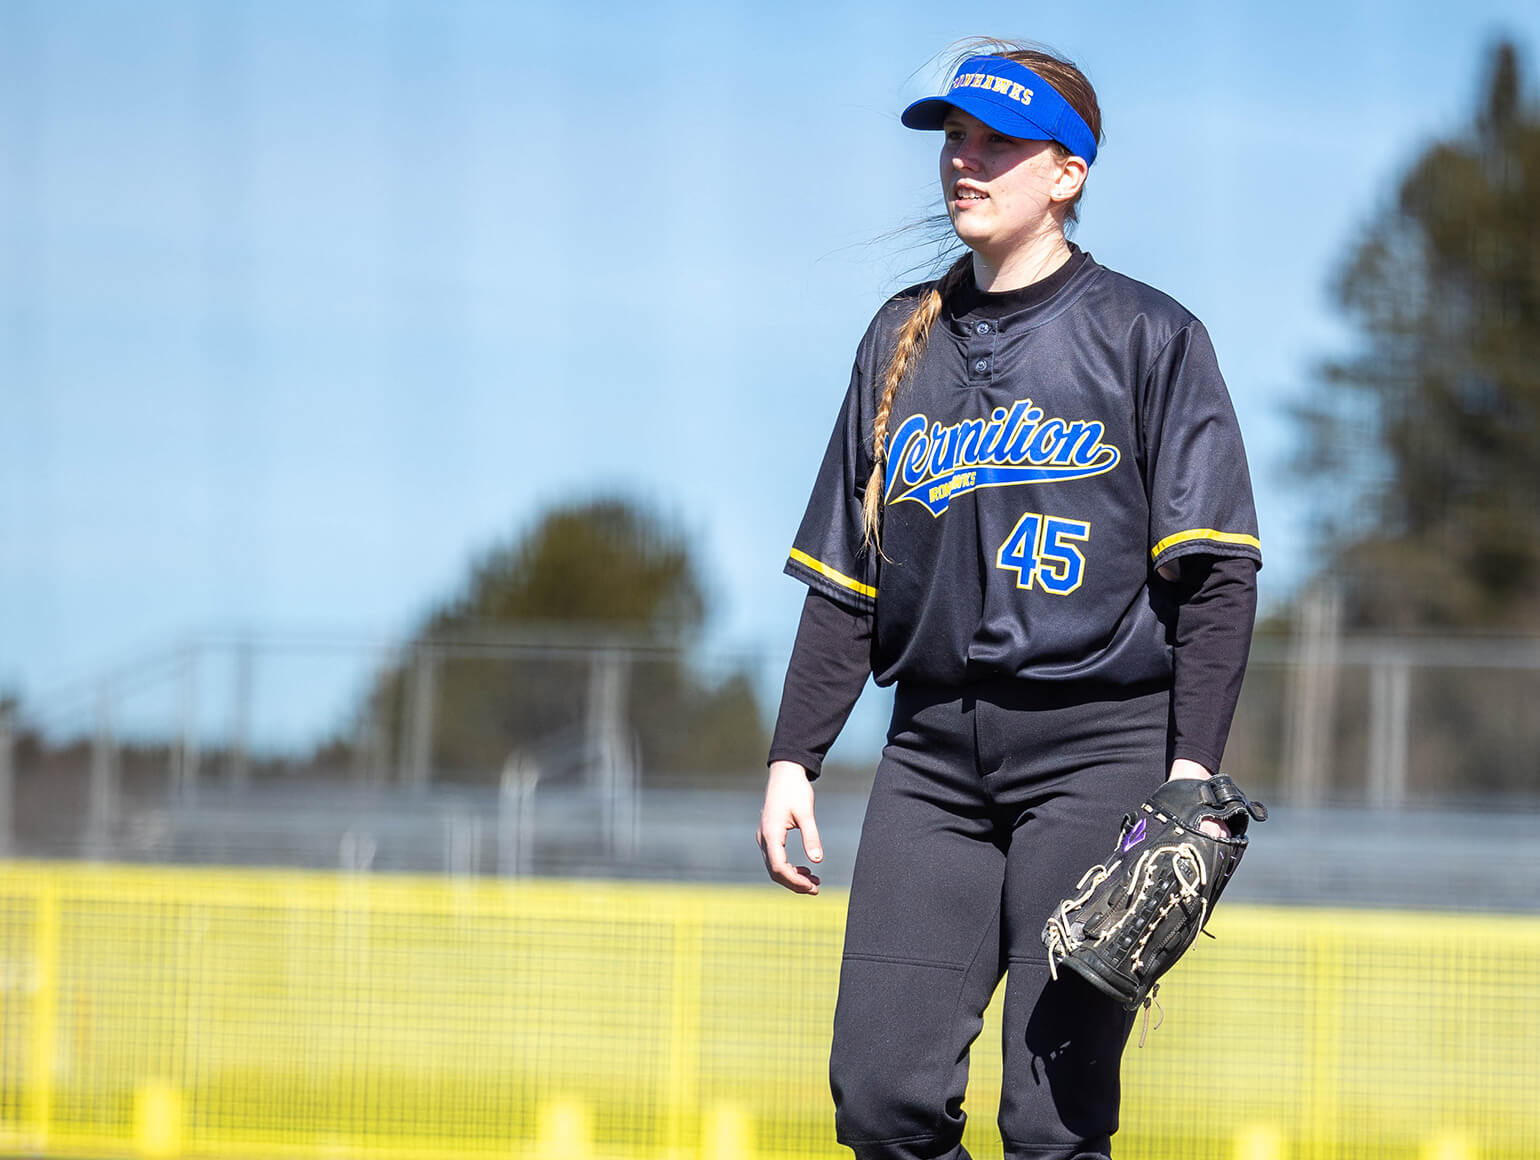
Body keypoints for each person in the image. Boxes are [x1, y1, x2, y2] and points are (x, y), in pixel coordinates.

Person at [755, 40, 1262, 1160]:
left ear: (1067, 173)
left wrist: (1186, 774)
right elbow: (846, 575)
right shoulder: (901, 337)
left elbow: (1217, 570)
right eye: (954, 139)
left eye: (996, 141)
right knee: (880, 1097)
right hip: (931, 754)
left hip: (1098, 748)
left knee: (1050, 1118)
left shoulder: (1147, 335)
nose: (964, 162)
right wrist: (794, 754)